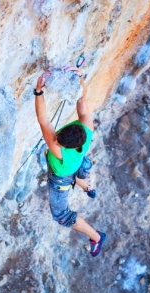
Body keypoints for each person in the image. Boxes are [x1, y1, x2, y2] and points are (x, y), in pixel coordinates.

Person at [34, 66, 106, 257]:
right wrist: (80, 78)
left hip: (62, 178)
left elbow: (43, 121)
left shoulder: (58, 151)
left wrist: (38, 91)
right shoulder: (87, 128)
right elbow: (82, 100)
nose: (54, 140)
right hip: (76, 163)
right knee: (73, 165)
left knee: (62, 216)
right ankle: (85, 185)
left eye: (57, 141)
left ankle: (97, 237)